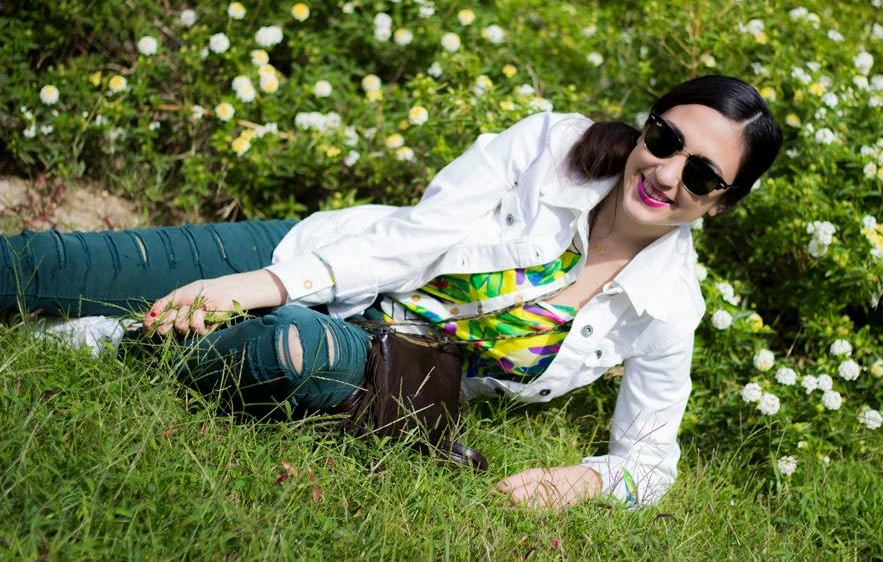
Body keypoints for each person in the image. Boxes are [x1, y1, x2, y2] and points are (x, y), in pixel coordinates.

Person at [0, 74, 782, 509]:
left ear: (720, 205)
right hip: (319, 258)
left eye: (702, 175)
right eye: (664, 138)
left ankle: (118, 341)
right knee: (50, 265)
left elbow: (651, 460)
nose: (666, 172)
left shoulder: (667, 307)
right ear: (647, 125)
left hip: (376, 368)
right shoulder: (550, 146)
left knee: (286, 349)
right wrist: (255, 282)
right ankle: (119, 320)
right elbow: (411, 237)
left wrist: (577, 480)